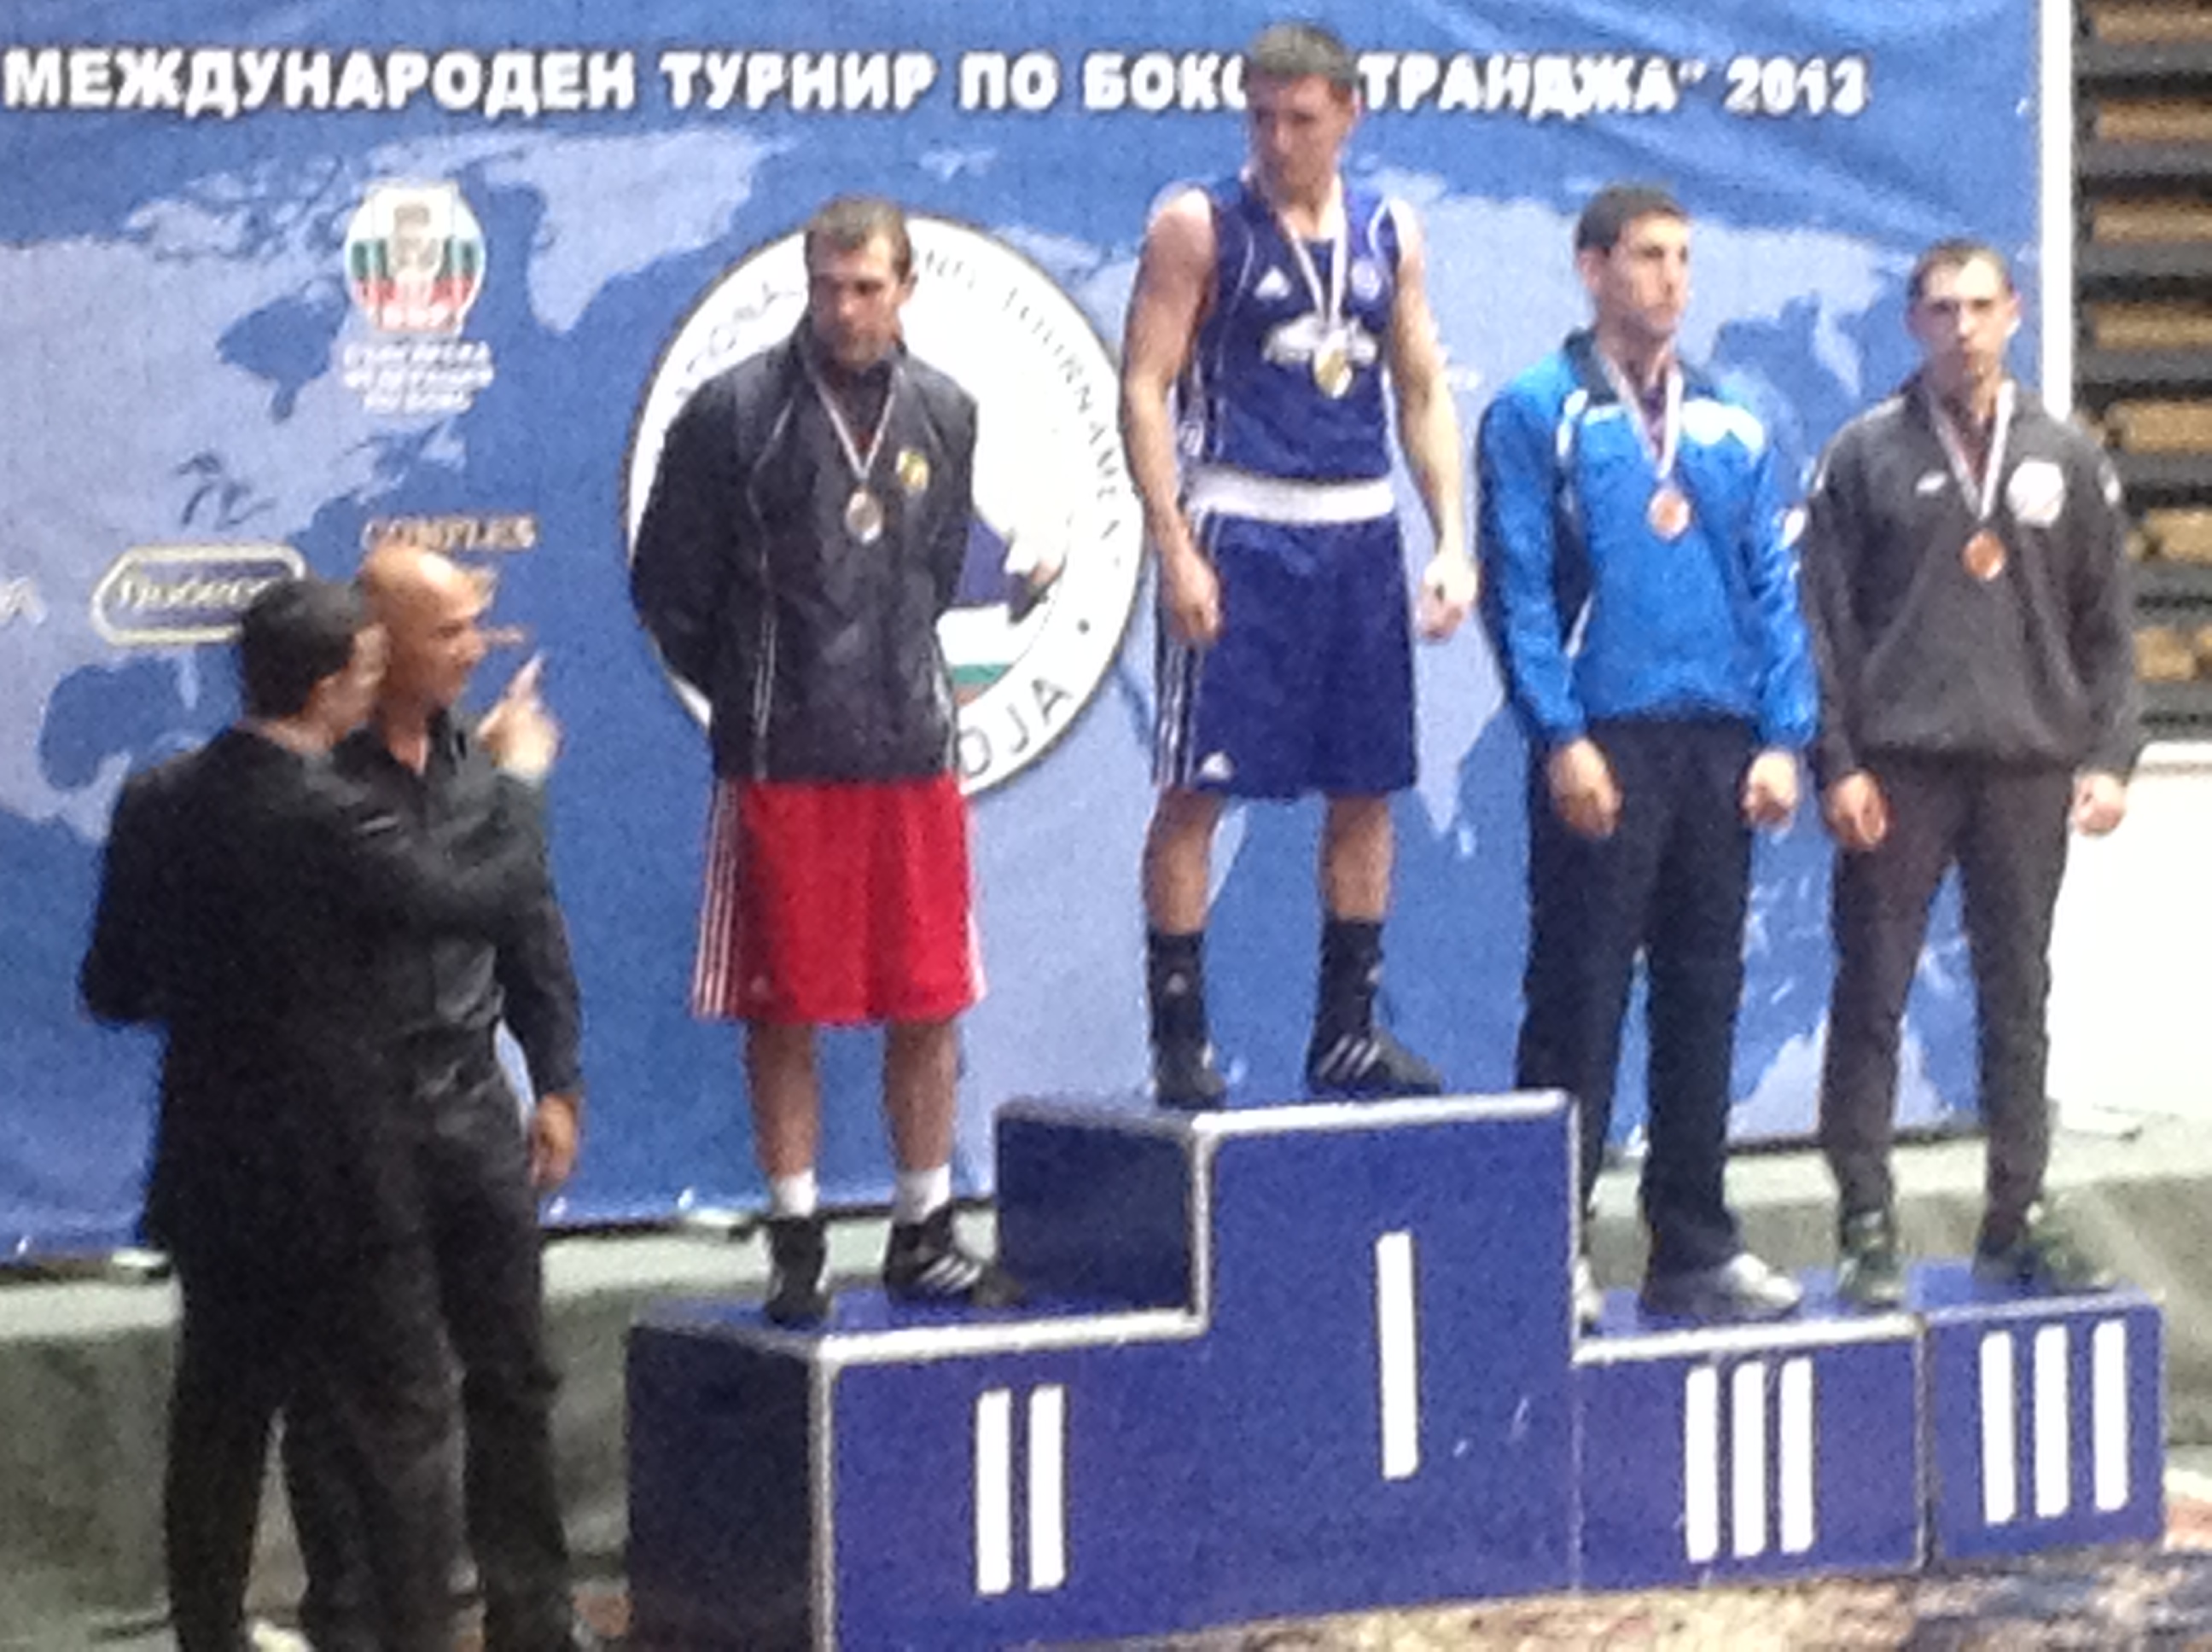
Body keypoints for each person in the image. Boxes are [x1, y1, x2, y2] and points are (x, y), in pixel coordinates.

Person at [80, 577, 556, 1652]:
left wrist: (227, 991)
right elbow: (477, 898)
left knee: (219, 1417)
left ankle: (208, 1633)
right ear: (334, 685)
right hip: (343, 1173)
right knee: (402, 1418)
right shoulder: (332, 814)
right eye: (369, 669)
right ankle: (416, 1634)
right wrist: (521, 779)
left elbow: (113, 986)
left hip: (211, 1166)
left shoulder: (156, 799)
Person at [631, 195, 1020, 1326]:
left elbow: (937, 572)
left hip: (910, 746)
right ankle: (797, 1241)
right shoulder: (734, 411)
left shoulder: (946, 410)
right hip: (783, 754)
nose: (845, 309)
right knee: (783, 1004)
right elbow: (669, 590)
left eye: (866, 288)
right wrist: (759, 682)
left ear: (906, 289)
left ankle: (924, 1229)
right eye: (827, 287)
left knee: (929, 998)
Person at [1476, 183, 1816, 1325]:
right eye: (1646, 256)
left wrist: (1785, 735)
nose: (1670, 278)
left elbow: (1773, 584)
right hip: (1605, 738)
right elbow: (1521, 587)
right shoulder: (1539, 410)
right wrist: (1560, 734)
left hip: (1718, 740)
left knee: (1703, 995)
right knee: (1577, 995)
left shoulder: (1731, 419)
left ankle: (1693, 1244)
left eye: (1681, 257)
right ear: (1592, 268)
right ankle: (1546, 1248)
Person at [1124, 20, 1477, 1108]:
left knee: (1367, 787)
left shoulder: (1390, 229)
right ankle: (1179, 1039)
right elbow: (1144, 385)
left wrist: (1451, 538)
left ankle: (1347, 1033)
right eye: (1262, 118)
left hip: (1359, 531)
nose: (1278, 139)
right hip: (1242, 524)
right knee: (1196, 789)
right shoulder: (1198, 225)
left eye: (1301, 119)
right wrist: (1174, 547)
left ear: (1349, 115)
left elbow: (1420, 386)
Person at [1801, 239, 2139, 1308]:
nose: (1963, 329)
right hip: (1898, 769)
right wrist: (1838, 762)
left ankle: (2016, 1214)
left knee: (2017, 996)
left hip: (2028, 767)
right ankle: (1866, 1221)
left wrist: (2112, 756)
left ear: (2015, 313)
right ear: (1914, 323)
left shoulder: (2066, 456)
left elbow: (2109, 625)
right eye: (1942, 310)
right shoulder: (1864, 454)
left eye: (1981, 307)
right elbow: (1822, 628)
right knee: (1873, 993)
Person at [280, 542, 597, 1652]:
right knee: (350, 1395)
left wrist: (555, 1081)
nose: (474, 648)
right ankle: (352, 1620)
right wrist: (521, 789)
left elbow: (530, 931)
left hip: (472, 1109)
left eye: (475, 624)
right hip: (358, 1127)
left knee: (514, 1373)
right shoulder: (321, 784)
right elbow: (438, 899)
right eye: (449, 630)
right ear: (379, 644)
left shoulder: (477, 767)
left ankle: (533, 1612)